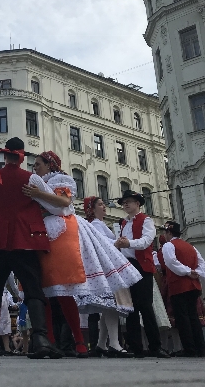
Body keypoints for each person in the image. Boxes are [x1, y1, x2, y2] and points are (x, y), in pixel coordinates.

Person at [22, 153, 142, 358]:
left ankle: (78, 341)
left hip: (60, 230)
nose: (35, 168)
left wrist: (37, 194)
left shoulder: (60, 179)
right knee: (46, 292)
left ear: (50, 165)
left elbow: (64, 201)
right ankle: (51, 342)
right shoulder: (38, 184)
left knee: (62, 288)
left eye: (38, 164)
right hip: (41, 232)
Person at [0, 138, 62, 360]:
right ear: (22, 156)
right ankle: (41, 339)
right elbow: (56, 207)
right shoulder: (31, 178)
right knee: (33, 286)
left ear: (5, 156)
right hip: (25, 238)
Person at [114, 190, 170, 358]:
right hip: (128, 265)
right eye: (124, 202)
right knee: (130, 307)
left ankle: (155, 346)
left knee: (145, 306)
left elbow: (147, 241)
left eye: (128, 201)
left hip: (141, 266)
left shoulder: (146, 220)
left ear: (137, 204)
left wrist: (127, 243)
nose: (125, 204)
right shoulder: (123, 223)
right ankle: (136, 347)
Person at [83, 196, 134, 358]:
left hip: (107, 267)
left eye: (104, 204)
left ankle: (101, 343)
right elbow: (101, 243)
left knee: (108, 306)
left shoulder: (100, 224)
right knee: (111, 305)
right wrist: (117, 242)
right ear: (92, 208)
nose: (104, 207)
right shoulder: (95, 224)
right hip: (106, 268)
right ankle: (114, 343)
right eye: (100, 204)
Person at [160, 221, 205, 357]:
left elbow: (171, 262)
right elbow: (202, 263)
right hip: (193, 286)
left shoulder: (169, 245)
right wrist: (196, 272)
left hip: (179, 286)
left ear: (169, 233)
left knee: (182, 318)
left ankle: (189, 349)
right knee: (193, 317)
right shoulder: (191, 247)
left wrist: (187, 272)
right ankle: (200, 348)